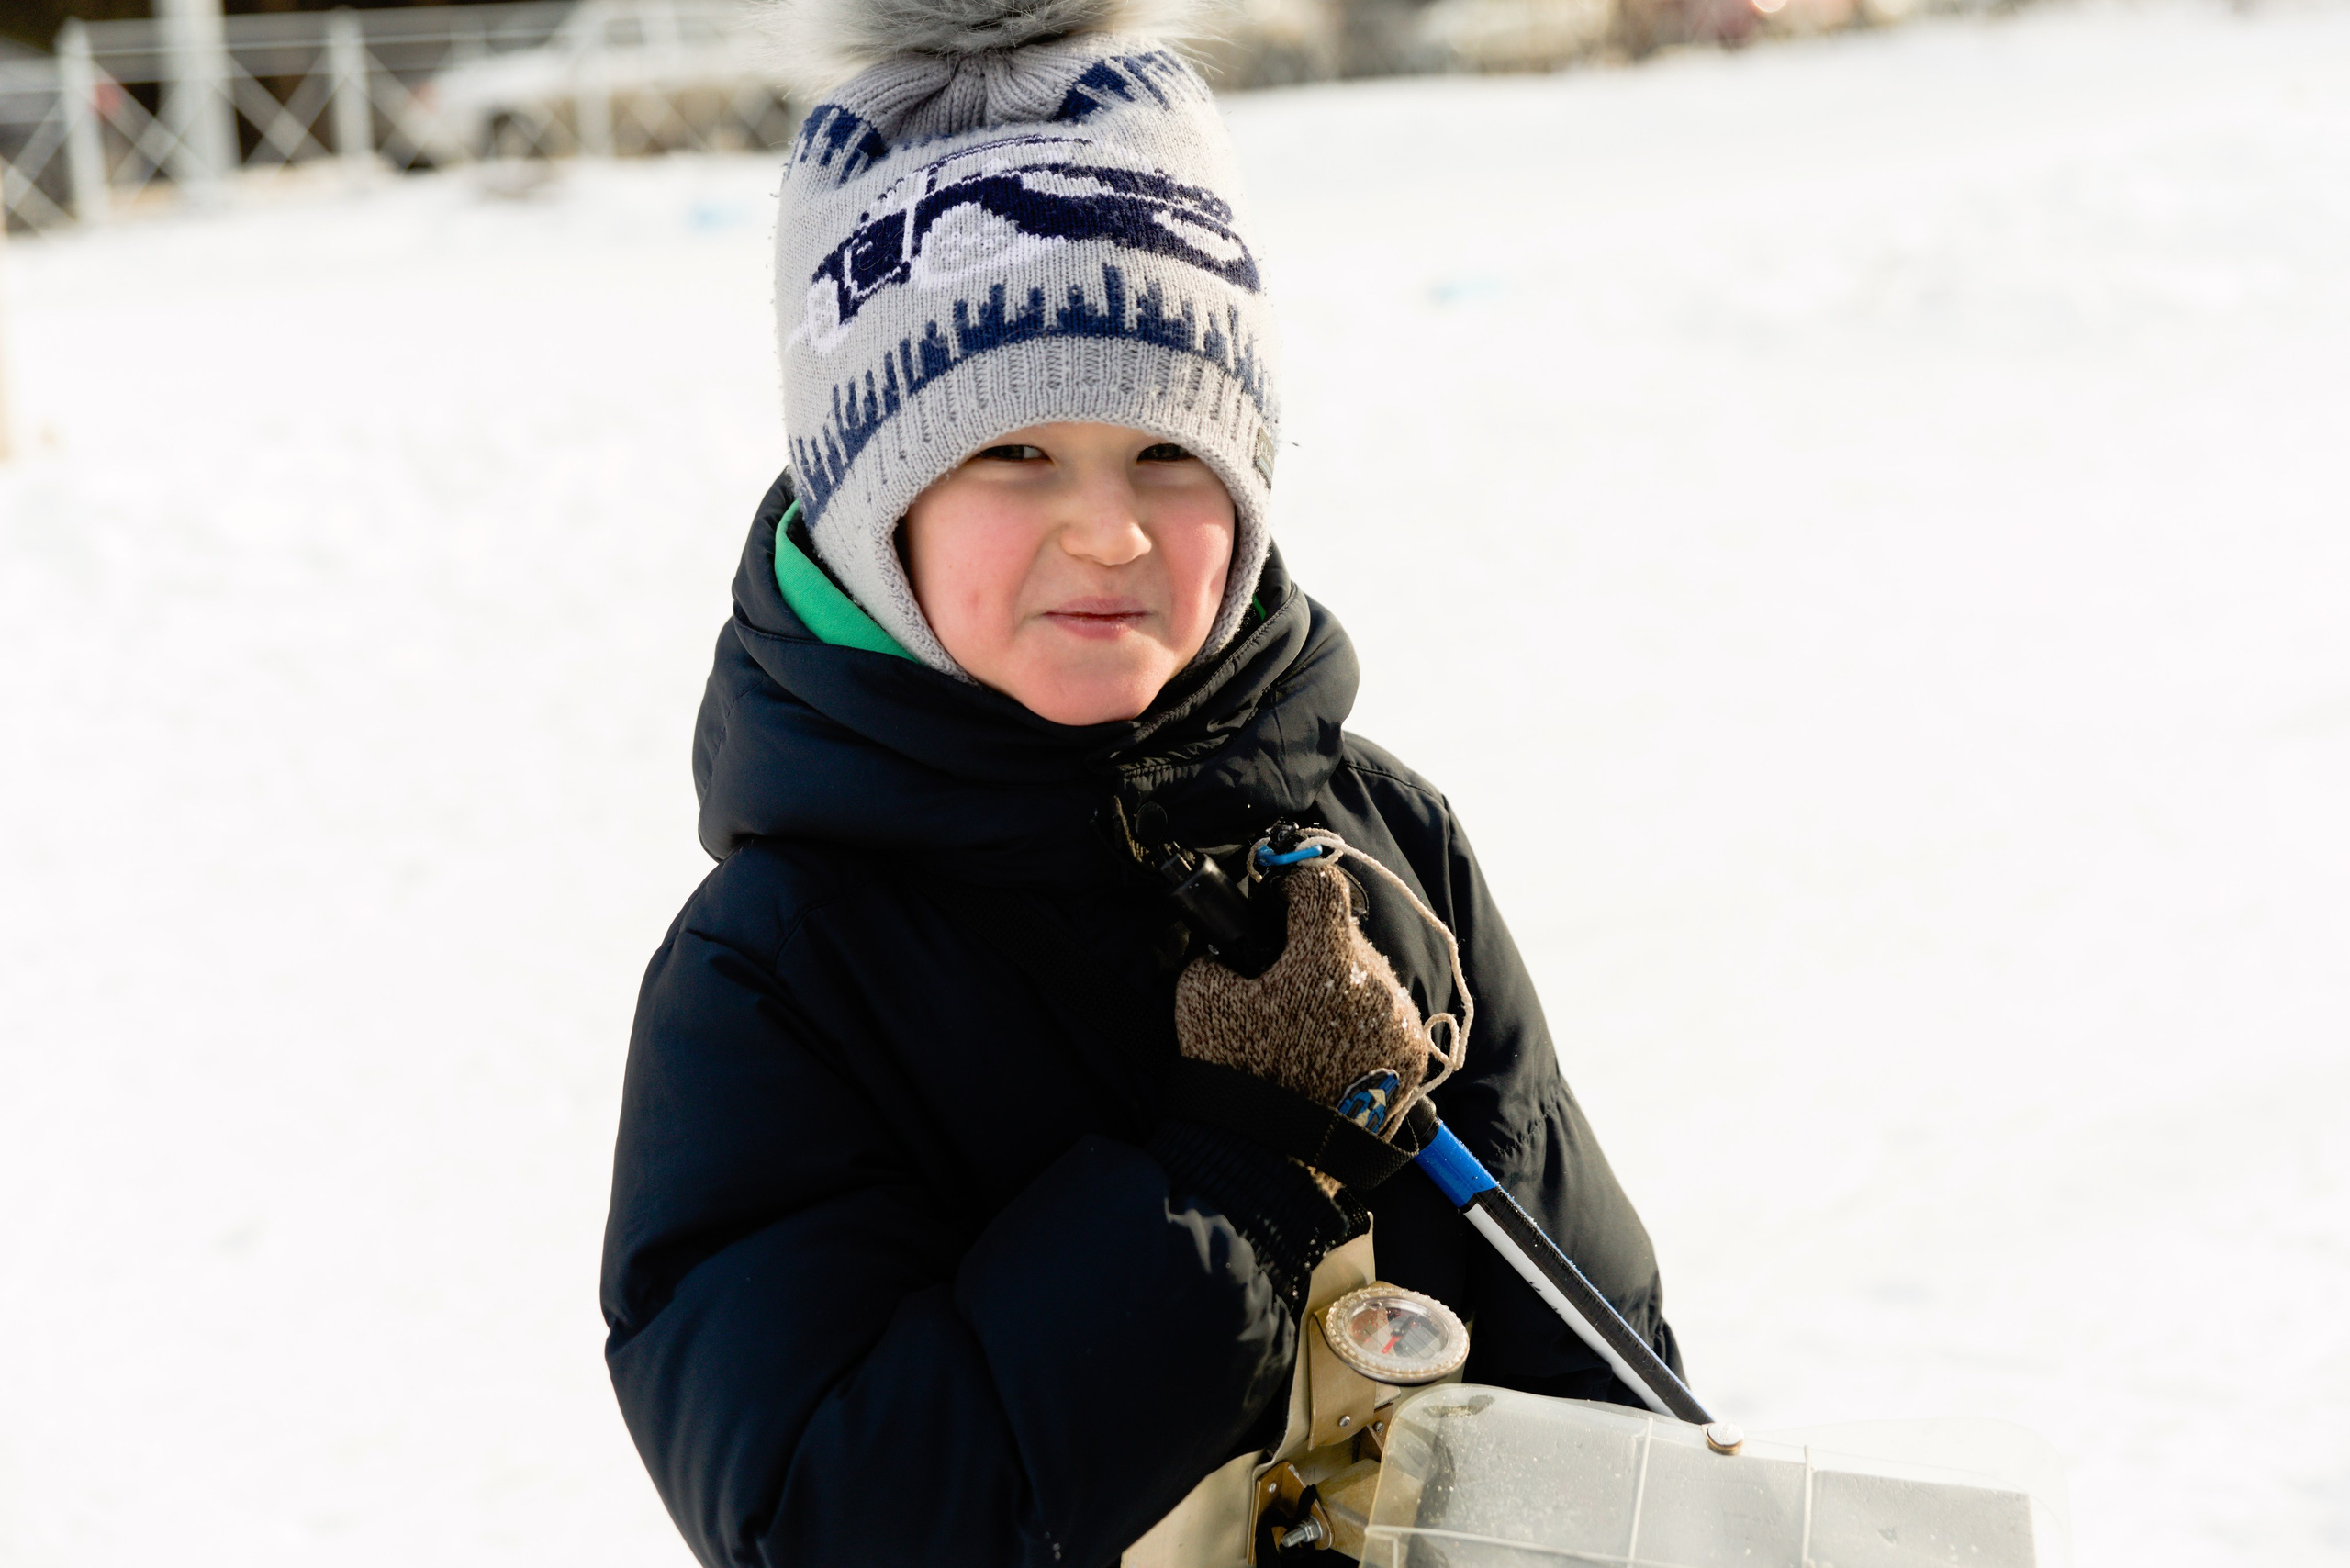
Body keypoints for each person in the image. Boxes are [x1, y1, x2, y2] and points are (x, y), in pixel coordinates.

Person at [599, 1, 1685, 1562]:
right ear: (867, 513)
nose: (1108, 530)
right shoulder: (775, 974)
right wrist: (1234, 1169)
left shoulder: (1382, 846)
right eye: (1013, 456)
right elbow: (833, 1517)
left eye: (1169, 456)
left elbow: (1599, 1372)